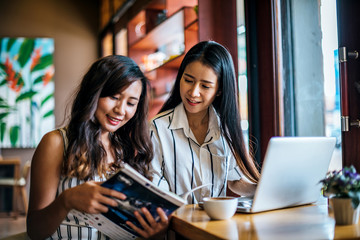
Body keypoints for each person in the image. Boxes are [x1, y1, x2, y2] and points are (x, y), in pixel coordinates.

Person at [27, 55, 169, 239]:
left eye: (131, 103)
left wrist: (152, 232)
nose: (121, 109)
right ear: (93, 93)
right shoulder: (56, 143)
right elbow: (35, 230)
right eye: (114, 97)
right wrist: (66, 200)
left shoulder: (126, 149)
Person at [149, 41, 260, 204]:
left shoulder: (226, 130)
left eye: (205, 86)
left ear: (219, 90)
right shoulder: (157, 128)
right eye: (188, 80)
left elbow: (235, 181)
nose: (193, 92)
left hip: (216, 226)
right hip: (177, 224)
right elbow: (155, 188)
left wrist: (263, 189)